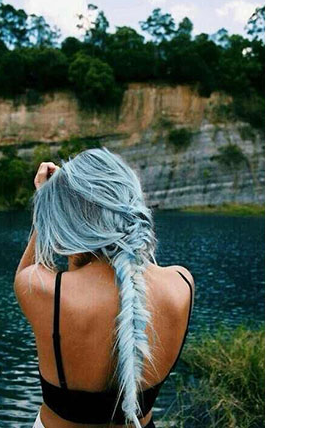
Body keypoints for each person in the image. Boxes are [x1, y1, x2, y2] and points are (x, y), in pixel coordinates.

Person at [14, 148, 194, 428]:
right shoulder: (181, 283)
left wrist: (47, 201)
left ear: (67, 218)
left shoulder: (48, 292)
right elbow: (128, 271)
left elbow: (30, 270)